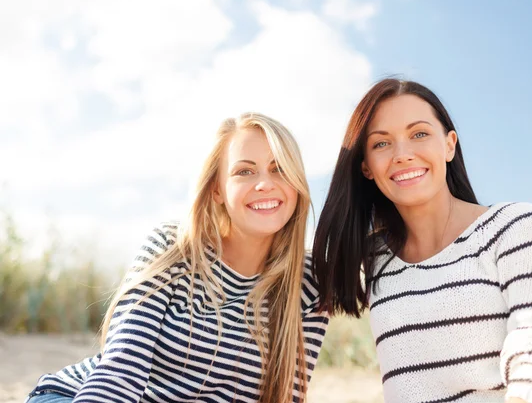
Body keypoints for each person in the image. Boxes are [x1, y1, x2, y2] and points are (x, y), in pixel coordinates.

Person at [312, 78, 532, 403]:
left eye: (419, 134)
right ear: (365, 167)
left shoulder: (514, 227)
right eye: (381, 144)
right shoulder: (374, 259)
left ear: (449, 145)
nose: (402, 154)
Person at [28, 113, 328, 403]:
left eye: (279, 168)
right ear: (217, 190)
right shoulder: (172, 247)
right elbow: (120, 373)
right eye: (244, 171)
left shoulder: (309, 284)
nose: (264, 183)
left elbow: (285, 395)